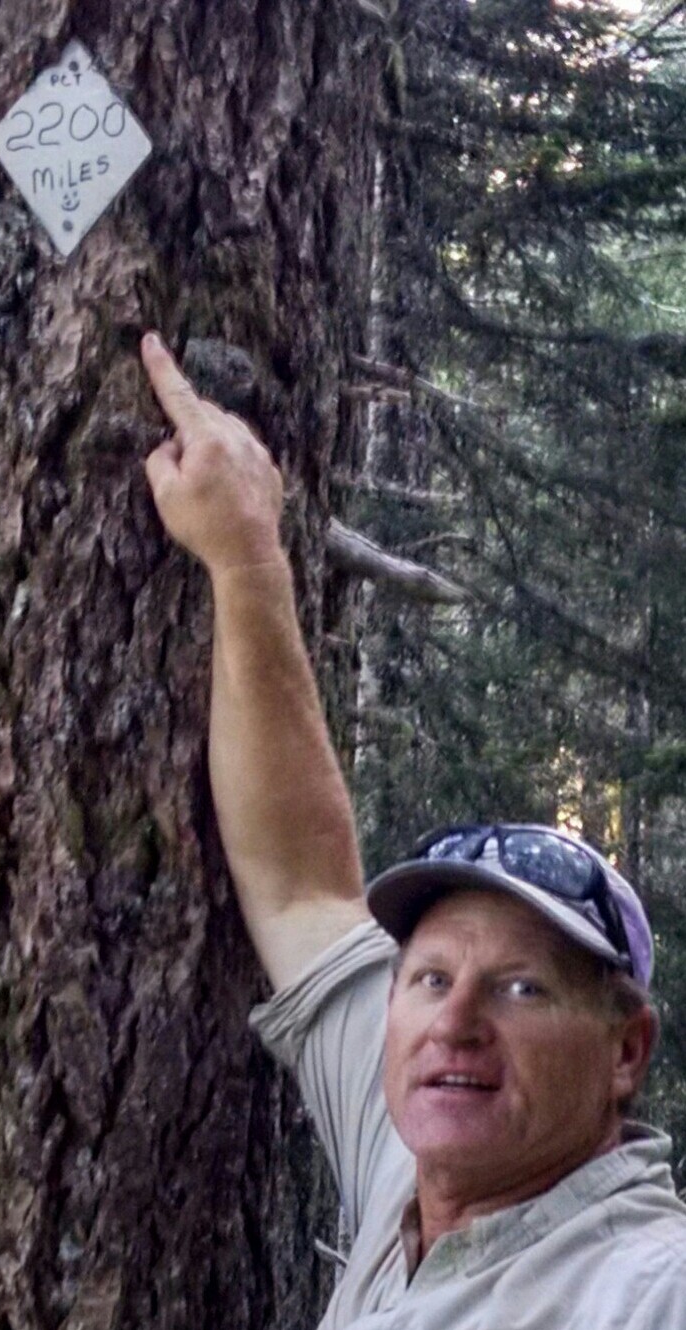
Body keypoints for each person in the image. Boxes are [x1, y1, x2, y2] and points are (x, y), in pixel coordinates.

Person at [139, 330, 686, 1328]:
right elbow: (300, 888)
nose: (455, 1020)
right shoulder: (414, 1159)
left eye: (521, 988)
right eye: (429, 977)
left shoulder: (644, 1283)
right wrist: (245, 557)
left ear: (625, 1050)